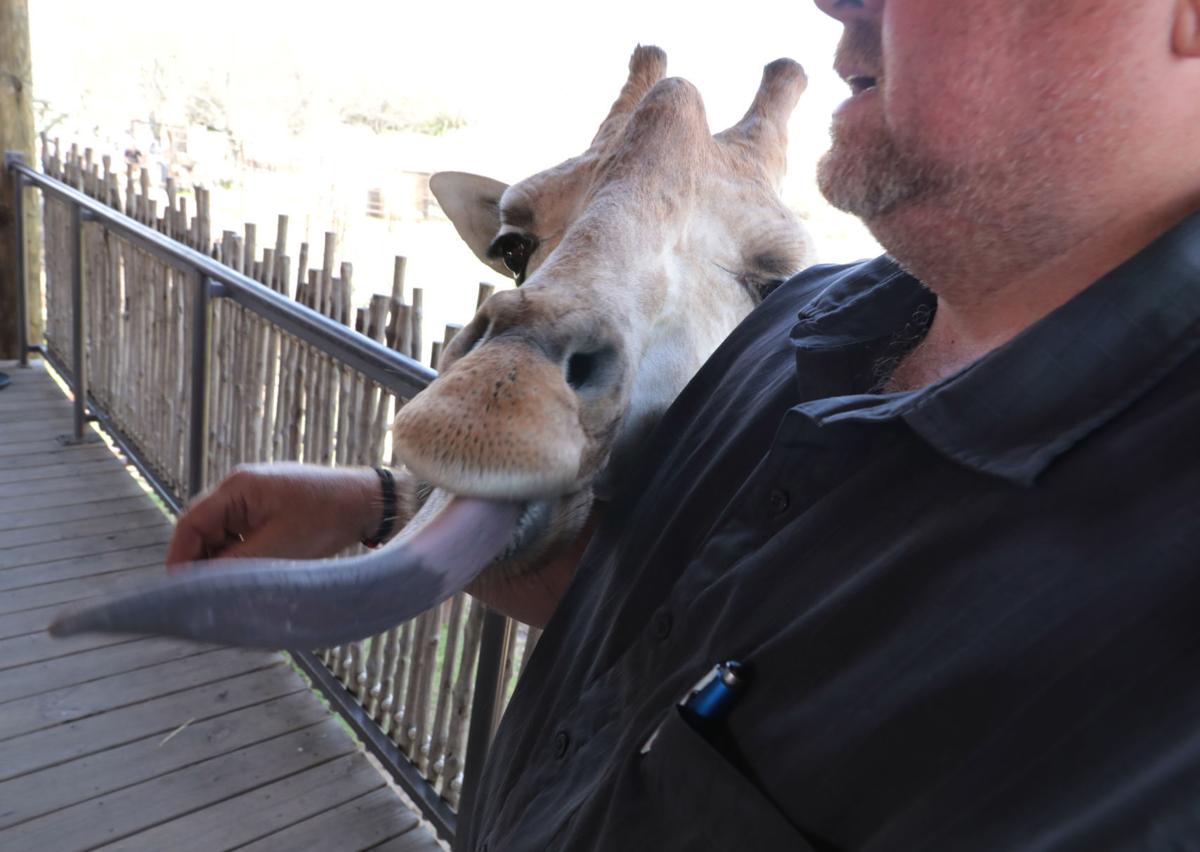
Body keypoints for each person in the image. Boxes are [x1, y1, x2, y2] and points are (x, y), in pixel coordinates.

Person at [168, 1, 1200, 848]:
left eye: (756, 268)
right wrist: (379, 505)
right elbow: (664, 589)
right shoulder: (807, 326)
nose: (834, 0)